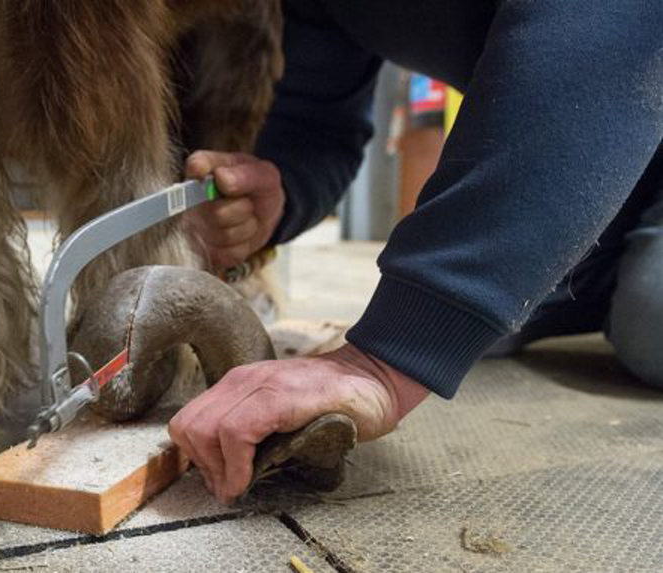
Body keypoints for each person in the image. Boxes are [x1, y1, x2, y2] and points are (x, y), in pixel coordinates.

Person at [168, 0, 663, 505]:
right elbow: (315, 122)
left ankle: (584, 259)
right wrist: (283, 189)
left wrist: (385, 361)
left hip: (630, 93)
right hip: (612, 147)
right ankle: (569, 247)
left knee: (651, 315)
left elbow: (611, 27)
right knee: (486, 315)